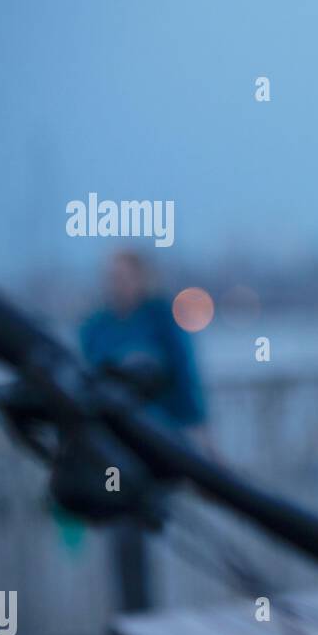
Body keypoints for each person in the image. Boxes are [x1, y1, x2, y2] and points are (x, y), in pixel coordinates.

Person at [80, 251, 209, 612]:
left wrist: (201, 437)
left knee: (158, 528)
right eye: (112, 276)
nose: (117, 283)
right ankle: (133, 619)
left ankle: (161, 622)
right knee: (122, 533)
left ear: (142, 277)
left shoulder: (161, 320)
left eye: (124, 276)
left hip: (157, 445)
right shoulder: (96, 326)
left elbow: (187, 379)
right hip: (113, 449)